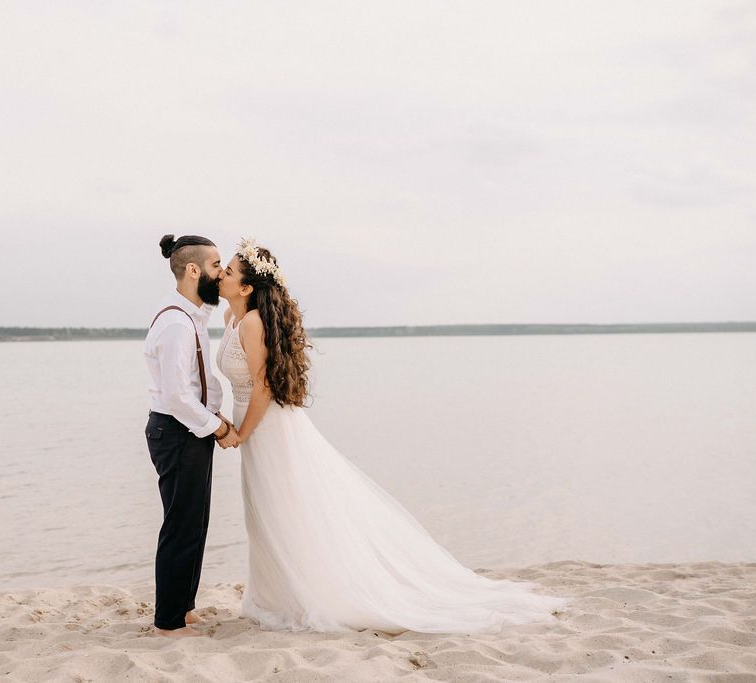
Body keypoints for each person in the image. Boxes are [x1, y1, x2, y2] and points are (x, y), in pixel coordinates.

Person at [214, 237, 572, 634]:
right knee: (265, 511)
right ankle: (274, 594)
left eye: (228, 271)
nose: (221, 275)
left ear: (246, 287)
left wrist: (242, 434)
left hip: (268, 427)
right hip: (255, 424)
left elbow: (263, 386)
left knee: (283, 509)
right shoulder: (232, 319)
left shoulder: (251, 322)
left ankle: (301, 595)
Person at [143, 234, 242, 638]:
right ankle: (168, 618)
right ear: (193, 270)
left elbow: (202, 383)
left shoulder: (194, 318)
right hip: (176, 431)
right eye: (217, 265)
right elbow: (177, 396)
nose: (220, 274)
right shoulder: (174, 324)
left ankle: (184, 606)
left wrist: (216, 413)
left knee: (195, 521)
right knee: (180, 525)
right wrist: (217, 426)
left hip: (190, 429)